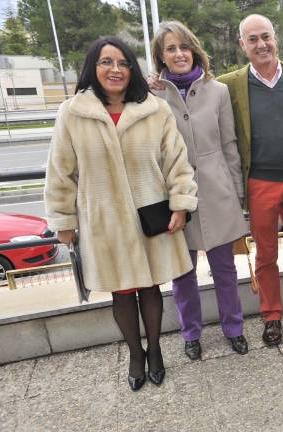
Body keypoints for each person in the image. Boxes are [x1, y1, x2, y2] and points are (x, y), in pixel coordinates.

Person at [44, 37, 197, 391]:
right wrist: (63, 221)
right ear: (92, 68)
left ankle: (155, 349)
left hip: (150, 217)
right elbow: (60, 172)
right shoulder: (73, 112)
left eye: (122, 62)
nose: (115, 69)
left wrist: (181, 203)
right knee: (122, 292)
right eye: (105, 62)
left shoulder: (154, 109)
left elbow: (176, 161)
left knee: (150, 286)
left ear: (132, 68)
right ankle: (135, 353)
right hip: (104, 221)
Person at [216, 14, 283, 346]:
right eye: (253, 39)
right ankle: (271, 315)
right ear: (242, 46)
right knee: (265, 253)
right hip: (259, 182)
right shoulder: (228, 84)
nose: (261, 44)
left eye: (266, 37)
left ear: (276, 38)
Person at [151, 21, 249, 360]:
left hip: (217, 190)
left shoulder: (217, 90)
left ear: (193, 49)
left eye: (184, 47)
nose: (179, 54)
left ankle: (234, 328)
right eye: (170, 49)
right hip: (175, 196)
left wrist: (237, 192)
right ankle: (190, 333)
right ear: (160, 56)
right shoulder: (151, 95)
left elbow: (229, 144)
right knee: (183, 273)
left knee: (225, 269)